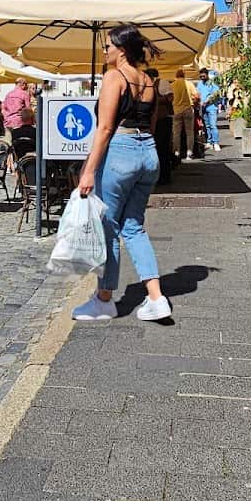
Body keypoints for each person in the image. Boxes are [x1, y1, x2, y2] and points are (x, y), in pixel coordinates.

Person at [73, 24, 171, 323]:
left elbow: (104, 128)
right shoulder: (149, 81)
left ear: (122, 50)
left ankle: (104, 300)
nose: (104, 51)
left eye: (108, 46)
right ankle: (156, 298)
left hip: (120, 151)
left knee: (109, 228)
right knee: (134, 227)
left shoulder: (114, 77)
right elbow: (151, 124)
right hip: (148, 154)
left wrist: (88, 171)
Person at [146, 69, 173, 185]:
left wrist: (155, 99)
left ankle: (164, 177)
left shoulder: (162, 83)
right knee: (156, 149)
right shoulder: (148, 85)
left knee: (162, 149)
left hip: (163, 120)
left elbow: (170, 98)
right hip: (154, 121)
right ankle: (158, 175)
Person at [171, 70, 196, 164]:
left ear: (176, 76)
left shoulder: (172, 85)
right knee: (189, 132)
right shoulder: (189, 84)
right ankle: (189, 152)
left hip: (176, 110)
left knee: (176, 133)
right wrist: (195, 103)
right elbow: (196, 96)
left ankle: (177, 153)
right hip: (188, 109)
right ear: (184, 75)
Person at [195, 68, 222, 152]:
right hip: (203, 108)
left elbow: (216, 94)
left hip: (212, 107)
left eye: (203, 76)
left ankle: (216, 143)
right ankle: (209, 141)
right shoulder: (199, 84)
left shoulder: (212, 83)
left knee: (213, 125)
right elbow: (198, 94)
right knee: (206, 126)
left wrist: (207, 101)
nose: (202, 77)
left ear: (207, 75)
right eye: (201, 76)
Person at [2, 78, 32, 145]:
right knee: (19, 144)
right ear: (23, 84)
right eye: (26, 85)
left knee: (8, 144)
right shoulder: (25, 94)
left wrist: (6, 118)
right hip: (19, 122)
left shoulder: (8, 94)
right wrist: (32, 120)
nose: (26, 87)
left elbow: (3, 108)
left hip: (8, 122)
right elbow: (28, 110)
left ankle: (9, 155)